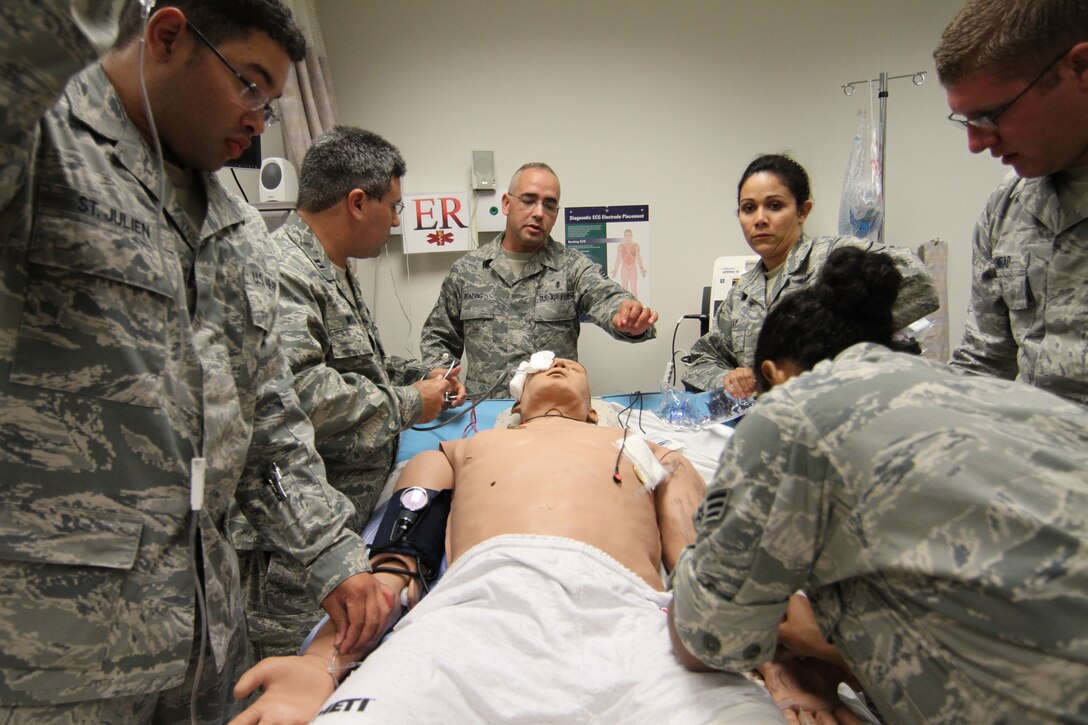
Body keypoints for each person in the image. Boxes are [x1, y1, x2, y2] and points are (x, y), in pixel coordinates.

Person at [0, 2, 376, 721]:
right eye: (249, 84)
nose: (259, 120)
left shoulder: (237, 229)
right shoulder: (41, 145)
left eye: (272, 102)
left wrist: (331, 552)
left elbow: (269, 421)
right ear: (168, 36)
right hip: (55, 652)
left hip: (207, 635)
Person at [230, 356, 788, 724]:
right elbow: (395, 567)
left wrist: (775, 664)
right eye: (543, 368)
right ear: (515, 407)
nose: (558, 363)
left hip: (629, 620)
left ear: (595, 406)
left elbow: (702, 569)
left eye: (572, 365)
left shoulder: (647, 450)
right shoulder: (459, 451)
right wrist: (325, 661)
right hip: (470, 614)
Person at [670, 247, 1088, 723]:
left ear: (773, 375)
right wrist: (839, 652)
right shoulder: (1020, 401)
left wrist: (807, 633)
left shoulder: (792, 413)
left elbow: (705, 638)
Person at [232, 126, 467, 660]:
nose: (397, 221)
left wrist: (423, 374)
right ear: (358, 203)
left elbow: (359, 367)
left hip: (344, 521)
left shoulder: (331, 269)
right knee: (298, 675)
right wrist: (413, 402)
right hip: (296, 547)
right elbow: (300, 393)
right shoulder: (284, 271)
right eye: (394, 207)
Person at [681, 154, 939, 397]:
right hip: (771, 417)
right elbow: (701, 360)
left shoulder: (834, 258)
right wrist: (730, 379)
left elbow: (920, 283)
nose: (759, 219)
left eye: (774, 206)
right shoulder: (741, 295)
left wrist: (841, 337)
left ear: (802, 211)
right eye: (748, 208)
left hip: (842, 409)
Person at [934, 0, 1088, 407]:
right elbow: (984, 362)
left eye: (992, 114)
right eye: (967, 122)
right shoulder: (1009, 206)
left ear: (1081, 69)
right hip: (1031, 444)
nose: (976, 143)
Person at [419, 162, 659, 398]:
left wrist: (629, 316)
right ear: (506, 203)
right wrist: (442, 375)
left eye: (549, 205)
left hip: (553, 408)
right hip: (483, 409)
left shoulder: (572, 267)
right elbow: (439, 336)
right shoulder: (467, 271)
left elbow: (607, 297)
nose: (538, 213)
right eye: (528, 200)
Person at [611, 228, 647, 295]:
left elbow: (638, 257)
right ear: (624, 236)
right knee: (624, 288)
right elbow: (618, 259)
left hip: (633, 268)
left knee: (634, 288)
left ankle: (635, 301)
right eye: (626, 235)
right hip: (624, 268)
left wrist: (641, 268)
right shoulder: (621, 246)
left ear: (632, 235)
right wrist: (615, 270)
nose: (628, 236)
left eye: (629, 235)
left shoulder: (636, 245)